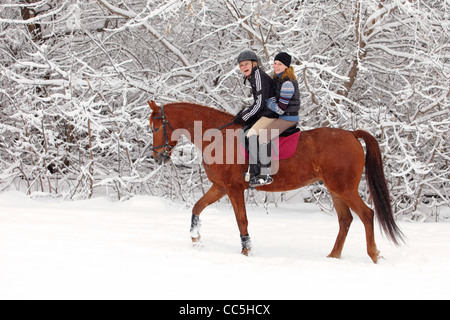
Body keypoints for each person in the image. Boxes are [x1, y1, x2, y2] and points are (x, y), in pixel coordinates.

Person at [251, 52, 301, 186]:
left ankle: (265, 174)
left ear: (286, 67)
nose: (276, 66)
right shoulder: (278, 79)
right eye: (275, 63)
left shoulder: (287, 84)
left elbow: (280, 109)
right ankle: (254, 170)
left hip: (288, 118)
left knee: (263, 136)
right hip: (282, 116)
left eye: (280, 64)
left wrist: (267, 101)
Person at [234, 50, 278, 187]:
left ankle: (263, 174)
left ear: (254, 64)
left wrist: (244, 116)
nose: (243, 67)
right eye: (241, 65)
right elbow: (258, 103)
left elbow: (260, 103)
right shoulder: (253, 77)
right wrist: (245, 113)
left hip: (271, 114)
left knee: (253, 134)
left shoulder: (258, 75)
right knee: (245, 131)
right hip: (264, 113)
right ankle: (252, 171)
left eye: (246, 64)